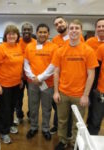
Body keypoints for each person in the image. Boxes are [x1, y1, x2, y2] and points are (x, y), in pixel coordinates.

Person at [52, 19, 98, 150]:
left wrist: (85, 95)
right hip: (63, 92)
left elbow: (91, 74)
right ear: (68, 29)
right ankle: (62, 140)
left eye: (77, 28)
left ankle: (74, 142)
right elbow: (56, 72)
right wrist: (56, 92)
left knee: (78, 122)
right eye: (71, 28)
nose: (73, 31)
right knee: (62, 120)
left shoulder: (88, 50)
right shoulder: (60, 50)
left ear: (81, 30)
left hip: (80, 95)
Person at [24, 23, 58, 141]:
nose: (42, 34)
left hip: (47, 84)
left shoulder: (54, 47)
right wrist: (33, 77)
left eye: (45, 32)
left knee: (46, 107)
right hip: (32, 82)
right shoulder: (29, 47)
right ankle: (33, 127)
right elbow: (26, 63)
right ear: (36, 33)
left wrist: (41, 78)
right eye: (40, 32)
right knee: (33, 106)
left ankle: (45, 128)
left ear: (48, 34)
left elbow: (53, 66)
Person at [0, 25, 24, 144]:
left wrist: (21, 79)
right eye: (9, 34)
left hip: (16, 83)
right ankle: (4, 132)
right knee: (5, 109)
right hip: (4, 85)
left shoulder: (18, 47)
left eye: (14, 34)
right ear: (6, 36)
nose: (12, 36)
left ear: (17, 36)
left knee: (12, 107)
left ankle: (10, 124)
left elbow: (19, 65)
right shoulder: (1, 48)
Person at [15, 22, 36, 124]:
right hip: (19, 76)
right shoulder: (16, 42)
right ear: (21, 31)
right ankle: (19, 116)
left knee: (32, 98)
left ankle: (31, 115)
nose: (26, 31)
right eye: (25, 29)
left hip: (31, 77)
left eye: (29, 29)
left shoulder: (36, 43)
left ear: (32, 31)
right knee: (18, 98)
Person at [86, 18, 104, 128]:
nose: (101, 28)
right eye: (99, 26)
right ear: (96, 28)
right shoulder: (89, 42)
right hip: (94, 82)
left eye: (103, 26)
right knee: (93, 112)